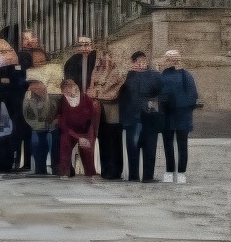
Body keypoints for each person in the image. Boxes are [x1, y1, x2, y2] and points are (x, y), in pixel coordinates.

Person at [157, 50, 202, 184]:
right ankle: (169, 171)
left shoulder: (186, 75)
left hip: (182, 115)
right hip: (166, 115)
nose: (171, 60)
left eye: (173, 58)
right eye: (168, 58)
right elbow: (157, 93)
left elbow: (192, 95)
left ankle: (182, 172)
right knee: (168, 144)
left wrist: (178, 104)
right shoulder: (162, 76)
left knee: (182, 145)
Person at [120, 50, 162, 184]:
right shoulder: (126, 77)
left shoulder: (154, 75)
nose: (141, 64)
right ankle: (133, 176)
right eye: (138, 62)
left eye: (143, 61)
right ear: (133, 63)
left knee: (150, 148)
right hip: (132, 119)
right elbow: (121, 97)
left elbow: (159, 92)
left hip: (150, 118)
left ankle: (148, 176)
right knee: (133, 148)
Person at [89, 48, 126, 180]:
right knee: (103, 139)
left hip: (113, 111)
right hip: (99, 110)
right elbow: (91, 89)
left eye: (109, 57)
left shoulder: (119, 72)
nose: (106, 60)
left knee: (114, 141)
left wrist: (98, 92)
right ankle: (105, 170)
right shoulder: (97, 70)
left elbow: (113, 92)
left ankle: (115, 171)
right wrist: (96, 92)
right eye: (104, 57)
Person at [57, 78, 99, 178]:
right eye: (65, 92)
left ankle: (90, 173)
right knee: (64, 141)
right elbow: (62, 123)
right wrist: (77, 137)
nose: (67, 94)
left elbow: (92, 121)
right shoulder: (62, 101)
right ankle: (65, 171)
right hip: (70, 132)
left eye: (69, 90)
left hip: (86, 132)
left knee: (87, 148)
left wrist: (87, 137)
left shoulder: (86, 99)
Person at [20, 77, 58, 174]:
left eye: (42, 88)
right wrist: (39, 125)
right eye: (37, 88)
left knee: (52, 144)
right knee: (38, 147)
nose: (41, 90)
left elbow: (52, 113)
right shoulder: (29, 99)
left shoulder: (50, 98)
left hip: (49, 128)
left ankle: (54, 169)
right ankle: (40, 170)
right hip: (37, 129)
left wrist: (52, 123)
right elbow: (27, 116)